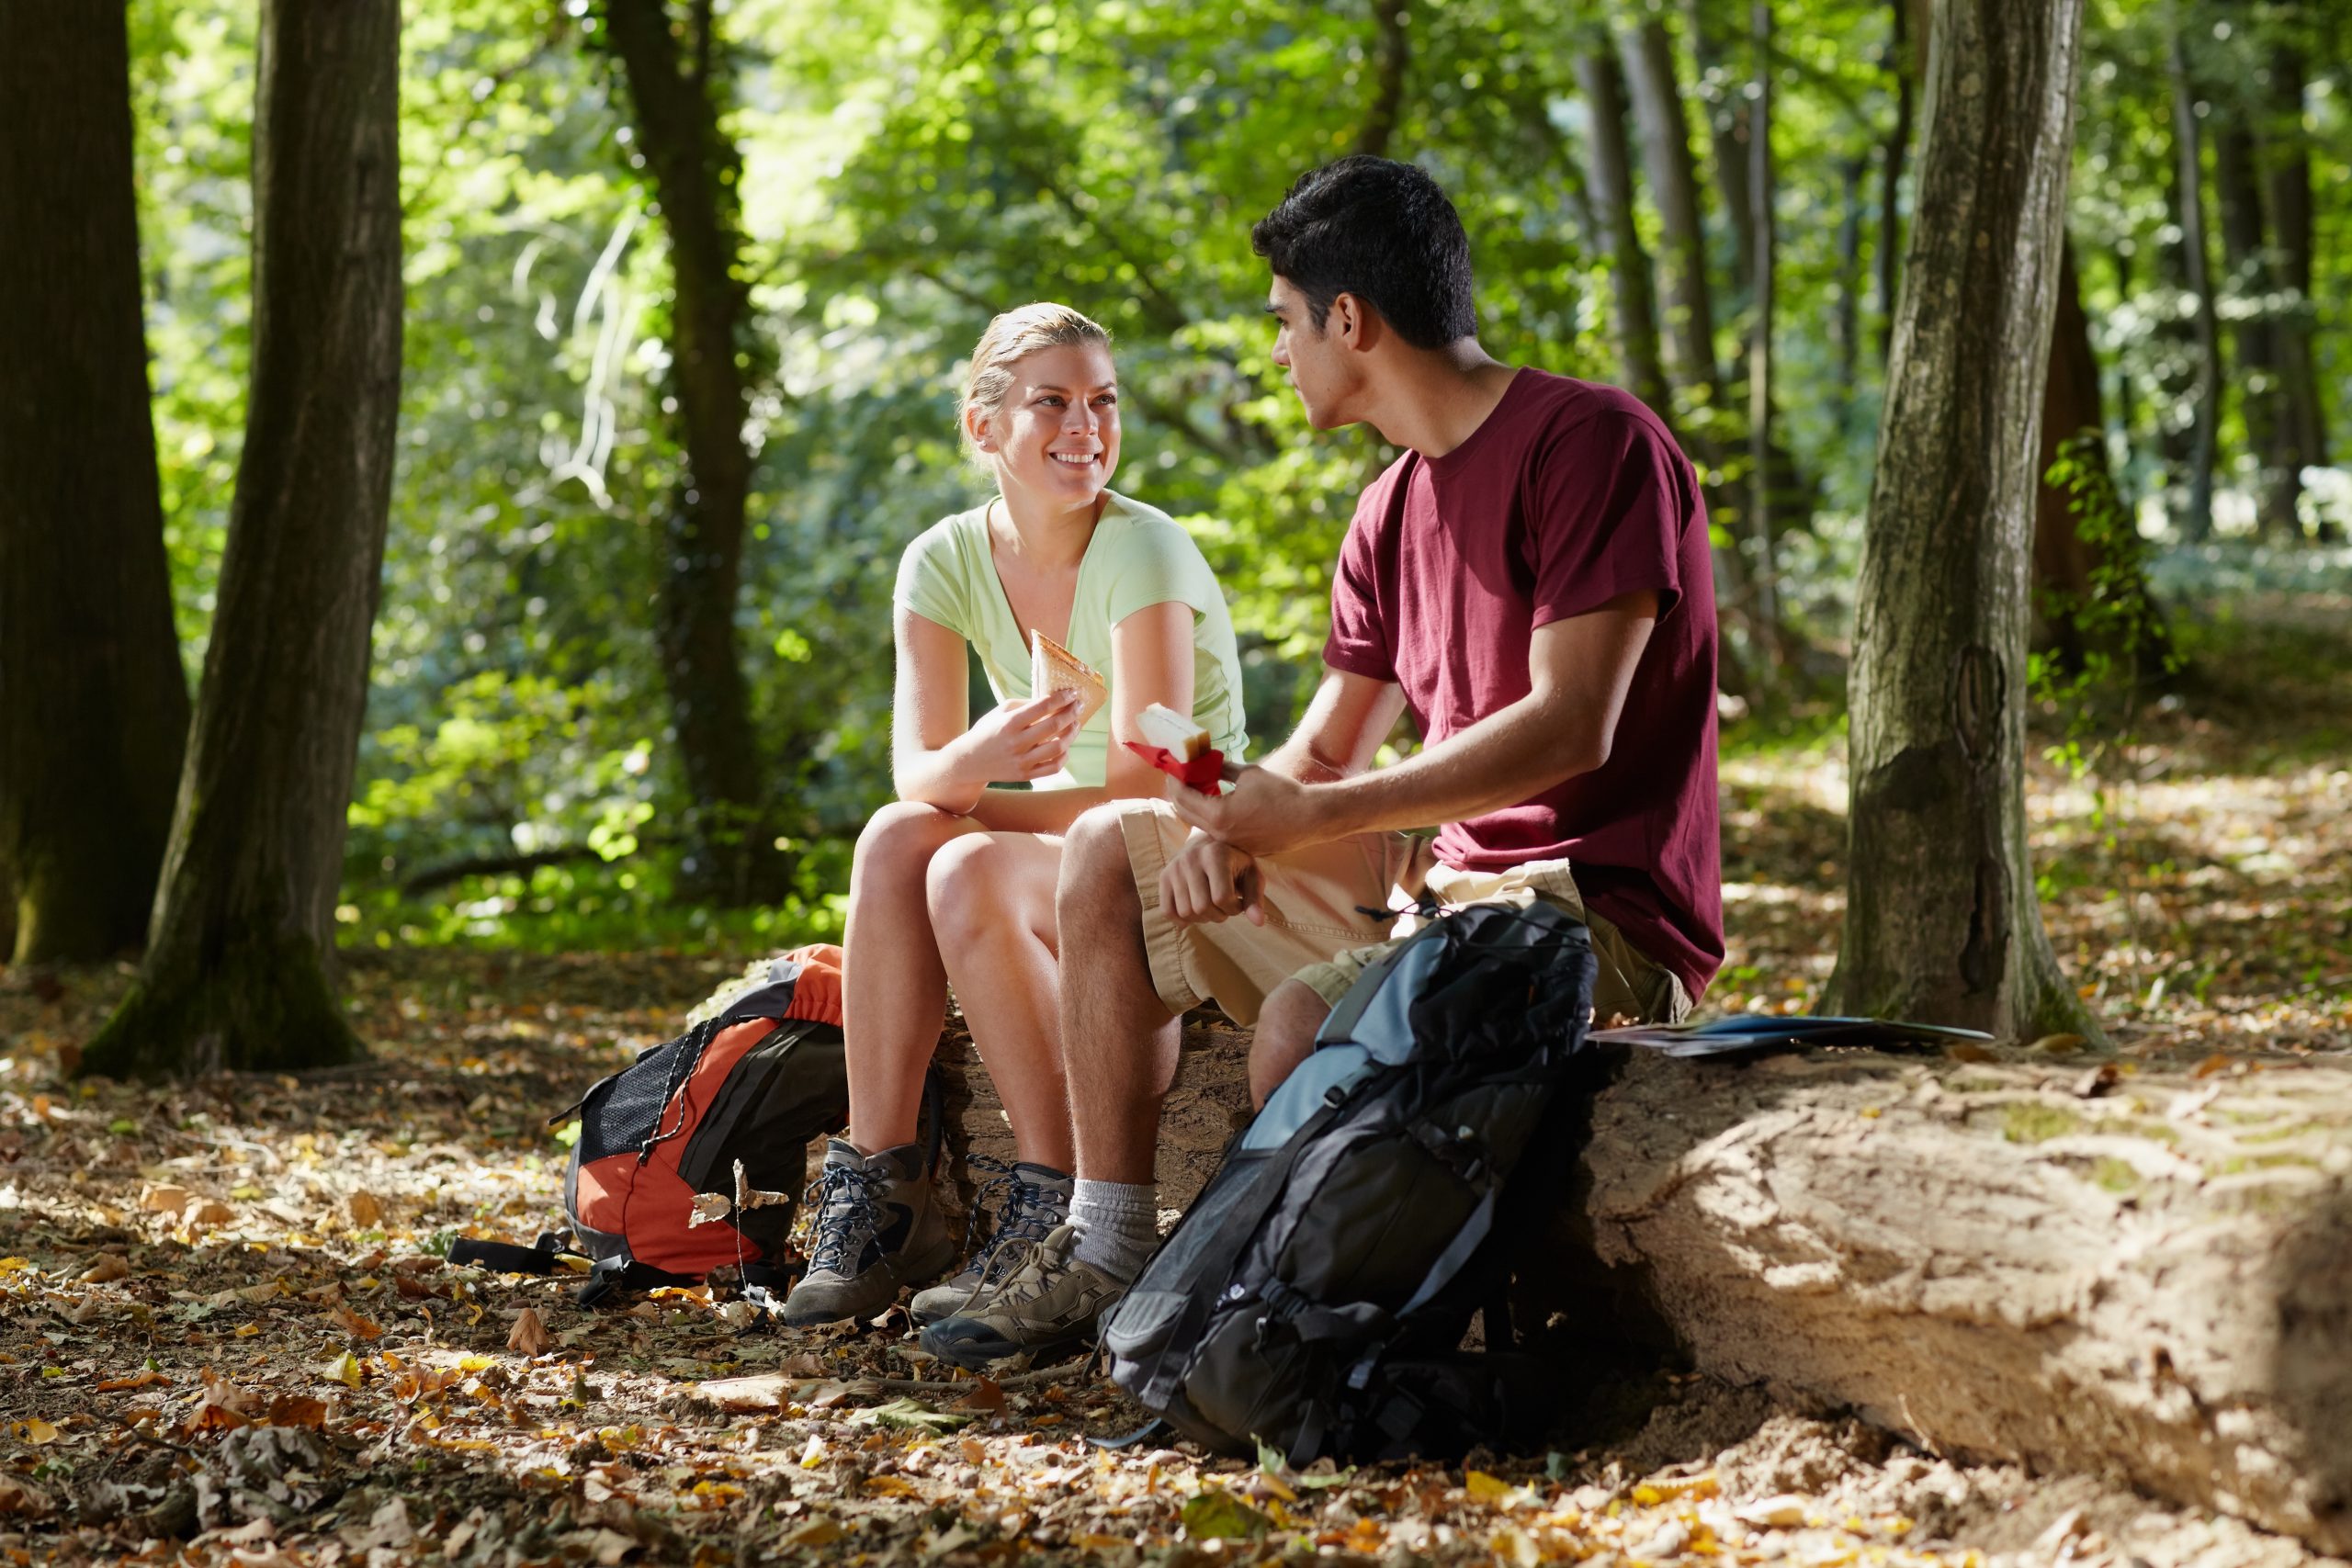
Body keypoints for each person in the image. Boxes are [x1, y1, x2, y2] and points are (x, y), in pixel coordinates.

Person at [919, 157, 1723, 1369]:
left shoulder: (1594, 444)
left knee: (1299, 1021)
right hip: (1435, 906)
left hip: (1587, 918)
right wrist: (1230, 829)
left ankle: (1296, 1337)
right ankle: (1110, 1239)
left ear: (1351, 318)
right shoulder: (1389, 510)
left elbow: (1571, 727)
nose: (1281, 351)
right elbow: (1327, 746)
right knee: (1105, 852)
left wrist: (1307, 811)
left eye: (1287, 320)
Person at [779, 304, 1250, 1327]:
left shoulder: (1145, 552)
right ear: (982, 427)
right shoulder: (941, 561)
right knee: (895, 838)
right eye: (1053, 402)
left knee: (957, 860)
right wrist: (972, 769)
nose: (1086, 425)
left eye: (1102, 402)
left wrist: (968, 790)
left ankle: (1051, 1203)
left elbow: (1148, 776)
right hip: (1059, 836)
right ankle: (879, 1191)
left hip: (1182, 836)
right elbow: (916, 771)